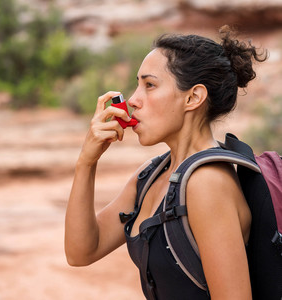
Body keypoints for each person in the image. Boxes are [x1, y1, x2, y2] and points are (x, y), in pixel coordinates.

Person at [64, 25, 267, 299]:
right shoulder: (150, 175)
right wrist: (86, 162)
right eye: (138, 85)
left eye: (149, 85)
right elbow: (82, 251)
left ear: (193, 97)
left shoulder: (207, 184)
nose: (133, 100)